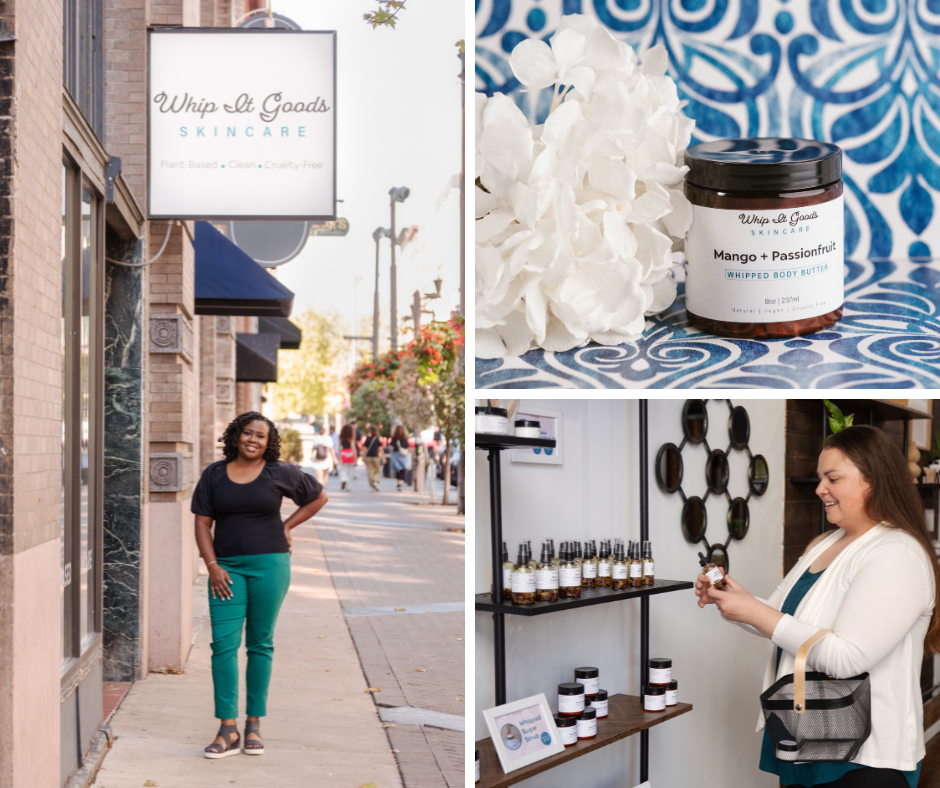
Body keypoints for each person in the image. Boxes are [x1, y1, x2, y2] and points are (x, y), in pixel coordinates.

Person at [695, 426, 938, 788]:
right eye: (821, 476)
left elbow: (847, 657)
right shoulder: (827, 542)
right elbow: (777, 614)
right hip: (806, 735)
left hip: (864, 763)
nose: (819, 488)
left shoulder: (895, 553)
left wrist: (756, 612)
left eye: (833, 478)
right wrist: (733, 599)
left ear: (874, 480)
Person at [193, 411, 329, 758]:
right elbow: (202, 524)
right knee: (223, 645)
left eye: (261, 436)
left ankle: (254, 723)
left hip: (270, 565)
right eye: (248, 433)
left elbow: (318, 497)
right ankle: (228, 728)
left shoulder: (278, 472)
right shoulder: (214, 474)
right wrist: (212, 566)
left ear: (269, 443)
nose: (253, 440)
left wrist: (287, 526)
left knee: (259, 644)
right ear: (236, 435)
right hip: (226, 570)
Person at [389, 424, 411, 492]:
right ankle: (400, 484)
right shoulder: (405, 438)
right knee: (402, 470)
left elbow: (391, 447)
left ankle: (398, 484)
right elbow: (408, 448)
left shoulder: (394, 437)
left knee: (397, 470)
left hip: (396, 455)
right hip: (403, 456)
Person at [362, 426, 384, 492]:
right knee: (377, 470)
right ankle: (376, 481)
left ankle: (373, 483)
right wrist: (383, 457)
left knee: (370, 471)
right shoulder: (377, 439)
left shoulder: (368, 439)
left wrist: (363, 456)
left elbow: (364, 448)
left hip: (368, 457)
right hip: (376, 457)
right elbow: (380, 449)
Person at [338, 423, 357, 491]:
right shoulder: (351, 438)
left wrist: (339, 455)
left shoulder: (341, 438)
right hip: (350, 454)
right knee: (351, 471)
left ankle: (344, 479)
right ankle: (349, 486)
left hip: (343, 454)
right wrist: (355, 458)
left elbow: (339, 447)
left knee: (343, 469)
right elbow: (353, 448)